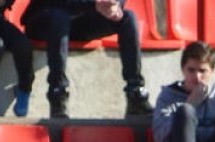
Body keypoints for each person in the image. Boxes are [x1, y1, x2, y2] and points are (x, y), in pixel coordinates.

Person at [21, 0, 153, 118]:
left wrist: (114, 5)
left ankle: (135, 92)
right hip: (46, 17)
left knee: (128, 17)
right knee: (60, 17)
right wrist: (94, 5)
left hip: (81, 19)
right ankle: (58, 94)